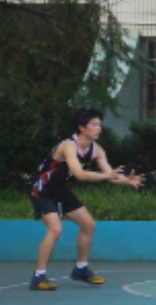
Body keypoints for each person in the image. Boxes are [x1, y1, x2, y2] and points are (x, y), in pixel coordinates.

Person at [29, 107, 144, 291]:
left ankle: (81, 269)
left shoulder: (97, 150)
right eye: (94, 124)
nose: (99, 128)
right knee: (55, 229)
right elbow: (80, 174)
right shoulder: (69, 146)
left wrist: (126, 181)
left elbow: (110, 175)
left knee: (89, 224)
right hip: (42, 189)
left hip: (60, 189)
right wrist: (108, 176)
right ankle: (38, 276)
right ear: (81, 127)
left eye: (99, 124)